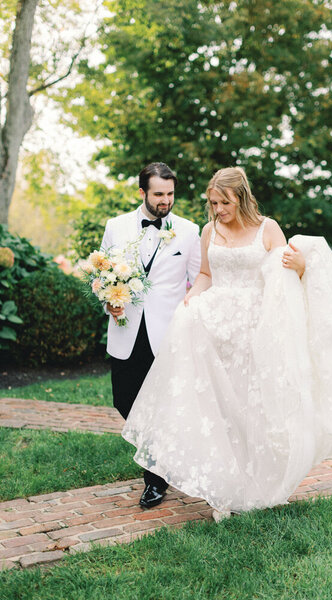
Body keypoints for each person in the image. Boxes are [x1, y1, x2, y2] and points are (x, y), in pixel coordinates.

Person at [122, 166, 332, 521]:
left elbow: (286, 277)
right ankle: (224, 491)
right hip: (215, 329)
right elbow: (205, 275)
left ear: (241, 197)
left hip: (257, 332)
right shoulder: (209, 230)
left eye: (224, 202)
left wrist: (303, 265)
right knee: (223, 413)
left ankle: (265, 486)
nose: (218, 209)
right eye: (213, 202)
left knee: (256, 411)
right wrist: (193, 297)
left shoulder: (268, 228)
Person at [101, 162, 201, 508]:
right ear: (142, 192)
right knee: (123, 399)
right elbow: (103, 275)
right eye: (159, 194)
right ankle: (162, 454)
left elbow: (200, 279)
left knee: (161, 405)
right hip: (126, 330)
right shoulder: (116, 227)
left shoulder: (188, 231)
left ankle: (155, 479)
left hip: (168, 334)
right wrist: (109, 304)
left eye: (170, 194)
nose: (166, 201)